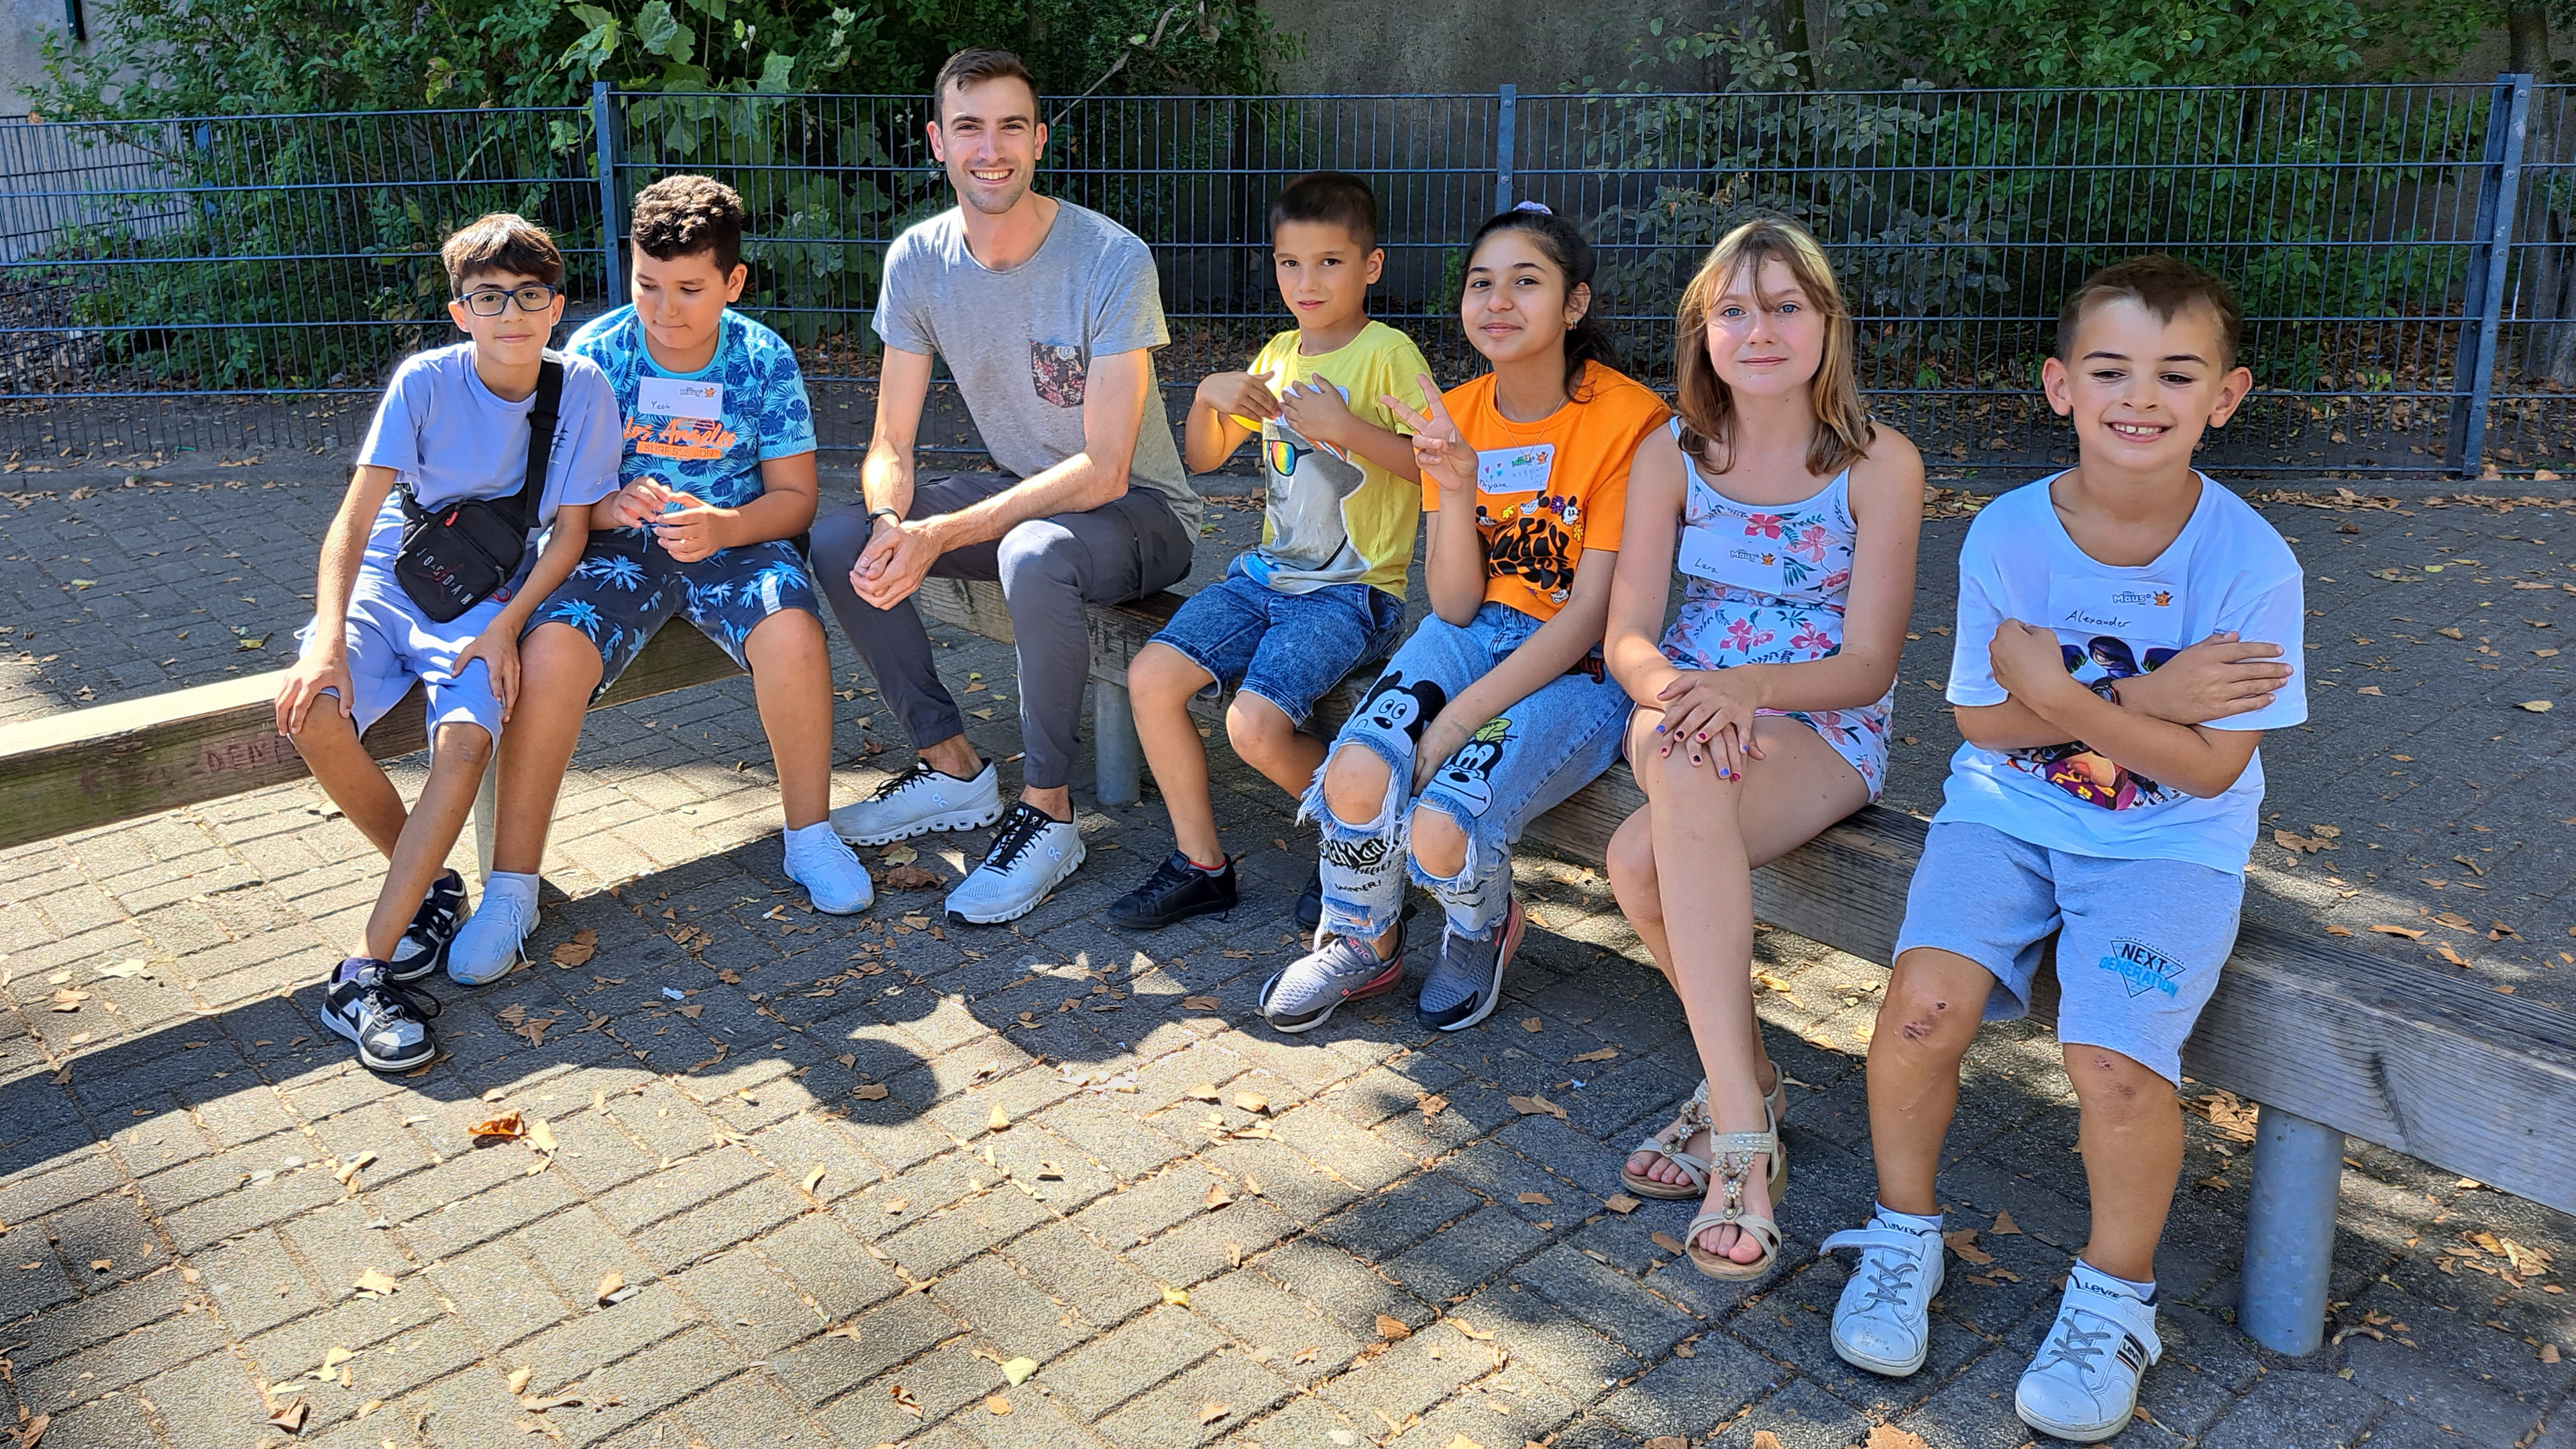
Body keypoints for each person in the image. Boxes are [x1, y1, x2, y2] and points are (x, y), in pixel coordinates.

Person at [1819, 255, 2304, 1444]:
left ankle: (2114, 1298)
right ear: (2059, 386)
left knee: (2114, 1062)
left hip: (2171, 846)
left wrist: (2081, 695)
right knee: (1920, 1008)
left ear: (2224, 397)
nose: (2141, 397)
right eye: (2111, 370)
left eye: (2176, 374)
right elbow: (1986, 722)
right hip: (2007, 812)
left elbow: (2209, 768)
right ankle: (1901, 1236)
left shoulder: (2251, 565)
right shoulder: (2011, 533)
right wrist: (2159, 694)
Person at [443, 174, 871, 985]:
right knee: (551, 659)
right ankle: (511, 888)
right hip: (616, 550)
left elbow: (797, 500)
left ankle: (809, 838)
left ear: (734, 282)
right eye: (647, 284)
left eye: (688, 290)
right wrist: (608, 506)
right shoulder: (594, 355)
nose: (664, 309)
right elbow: (555, 501)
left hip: (736, 543)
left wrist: (726, 526)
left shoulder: (762, 358)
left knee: (794, 633)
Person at [1256, 202, 1668, 1034]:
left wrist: (1456, 724)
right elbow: (1451, 603)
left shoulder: (1632, 424)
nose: (1498, 303)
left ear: (1574, 304)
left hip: (1577, 662)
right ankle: (1363, 941)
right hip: (1469, 628)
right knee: (1357, 771)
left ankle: (1482, 927)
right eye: (1482, 284)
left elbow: (1590, 615)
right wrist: (1453, 485)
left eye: (1527, 283)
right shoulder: (1457, 410)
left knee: (1445, 823)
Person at [1601, 219, 1923, 1281]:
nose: (1762, 328)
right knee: (1689, 758)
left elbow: (1869, 663)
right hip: (1682, 708)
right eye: (1734, 310)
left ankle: (1745, 1101)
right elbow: (1630, 636)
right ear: (1703, 334)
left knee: (1635, 862)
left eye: (1787, 305)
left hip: (1817, 725)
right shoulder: (1672, 455)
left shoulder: (1882, 467)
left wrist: (1750, 692)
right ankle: (1745, 1133)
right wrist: (1682, 696)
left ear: (1828, 325)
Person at [814, 46, 1201, 926]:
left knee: (1030, 549)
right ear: (937, 144)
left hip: (1139, 513)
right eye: (969, 128)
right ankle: (951, 764)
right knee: (842, 540)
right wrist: (890, 517)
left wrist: (938, 534)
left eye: (1011, 127)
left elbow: (1104, 468)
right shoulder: (918, 260)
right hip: (1030, 500)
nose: (992, 148)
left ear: (1040, 140)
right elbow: (888, 442)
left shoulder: (1110, 257)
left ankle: (1049, 812)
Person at [274, 213, 622, 1068]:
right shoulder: (424, 381)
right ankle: (428, 885)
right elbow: (353, 523)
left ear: (557, 306)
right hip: (391, 582)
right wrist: (324, 642)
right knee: (312, 712)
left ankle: (362, 972)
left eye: (529, 296)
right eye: (488, 297)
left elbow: (572, 536)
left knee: (466, 745)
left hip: (487, 598)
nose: (511, 313)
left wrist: (507, 628)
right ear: (461, 310)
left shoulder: (582, 390)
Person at [1107, 171, 1430, 932]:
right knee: (1151, 677)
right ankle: (1201, 865)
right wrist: (1212, 394)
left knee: (1252, 727)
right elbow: (1207, 456)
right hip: (1265, 580)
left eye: (1330, 262)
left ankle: (1367, 845)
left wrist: (1347, 429)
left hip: (1354, 593)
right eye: (1291, 263)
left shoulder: (1389, 353)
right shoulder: (1280, 352)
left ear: (1370, 267)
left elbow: (1434, 464)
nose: (1308, 281)